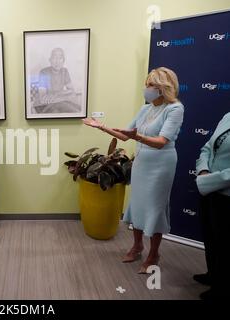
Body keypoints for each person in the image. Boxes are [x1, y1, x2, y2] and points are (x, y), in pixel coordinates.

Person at [83, 67, 184, 274]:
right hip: (141, 162)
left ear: (163, 88)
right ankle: (137, 246)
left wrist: (137, 137)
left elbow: (161, 141)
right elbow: (125, 135)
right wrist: (100, 126)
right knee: (137, 205)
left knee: (155, 208)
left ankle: (154, 254)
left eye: (151, 85)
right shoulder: (145, 109)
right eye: (147, 84)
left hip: (160, 164)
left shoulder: (174, 109)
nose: (146, 89)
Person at [194, 112, 230, 300]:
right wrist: (203, 170)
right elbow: (208, 147)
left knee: (225, 243)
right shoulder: (227, 116)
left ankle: (222, 288)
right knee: (211, 236)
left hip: (225, 193)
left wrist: (210, 181)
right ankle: (213, 275)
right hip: (209, 189)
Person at [34, 47, 81, 114]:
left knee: (78, 109)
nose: (57, 61)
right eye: (54, 58)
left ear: (63, 60)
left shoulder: (64, 71)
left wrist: (57, 95)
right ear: (50, 60)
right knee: (61, 111)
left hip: (58, 102)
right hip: (43, 105)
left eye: (60, 58)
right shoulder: (44, 72)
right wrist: (64, 96)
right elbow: (43, 98)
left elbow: (72, 92)